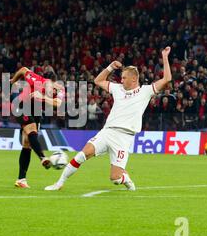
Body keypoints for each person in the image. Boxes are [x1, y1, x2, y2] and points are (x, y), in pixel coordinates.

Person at [45, 47, 172, 191]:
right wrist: (110, 67)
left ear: (134, 78)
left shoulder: (146, 91)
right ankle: (59, 183)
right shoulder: (118, 89)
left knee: (115, 178)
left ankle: (125, 178)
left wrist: (165, 57)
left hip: (124, 138)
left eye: (124, 77)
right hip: (107, 132)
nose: (121, 80)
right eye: (121, 77)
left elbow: (167, 79)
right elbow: (98, 80)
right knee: (82, 154)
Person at [11, 67, 64, 188]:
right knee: (32, 130)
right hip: (22, 105)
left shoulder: (60, 90)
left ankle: (21, 180)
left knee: (27, 144)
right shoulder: (36, 79)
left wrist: (43, 97)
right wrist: (13, 80)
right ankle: (43, 157)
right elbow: (24, 69)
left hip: (37, 111)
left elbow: (58, 103)